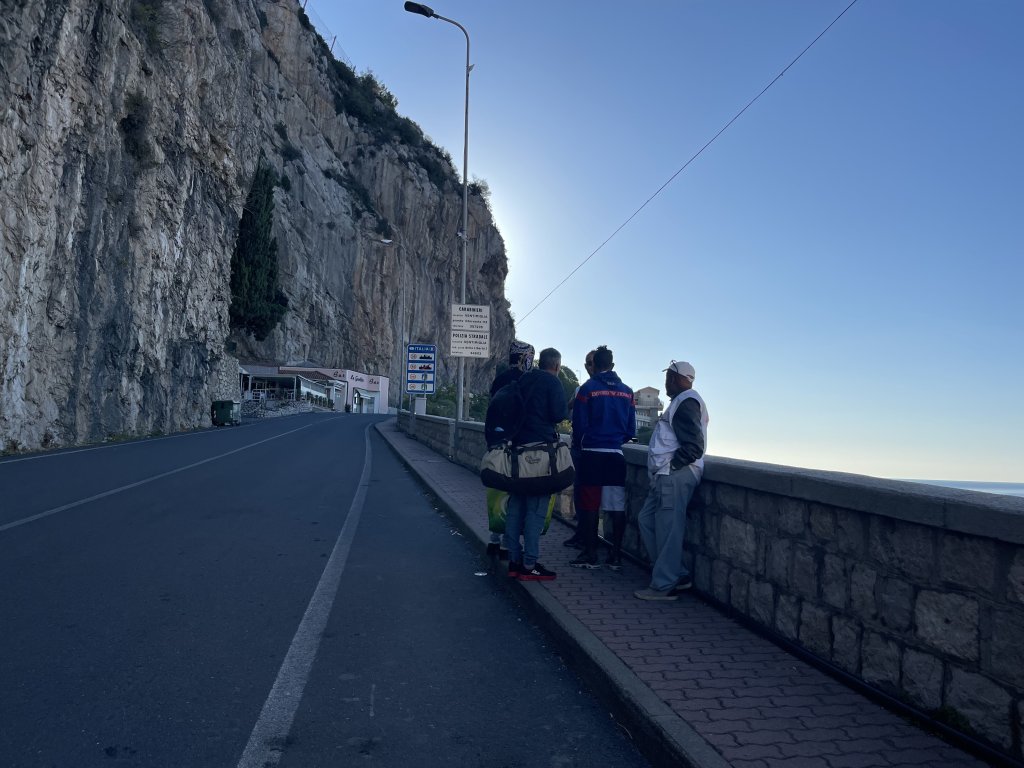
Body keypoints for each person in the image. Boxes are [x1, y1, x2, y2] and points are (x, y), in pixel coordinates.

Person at [635, 360, 709, 601]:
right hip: (667, 475)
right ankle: (676, 574)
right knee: (647, 520)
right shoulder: (682, 401)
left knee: (668, 530)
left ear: (679, 379)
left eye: (669, 378)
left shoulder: (687, 401)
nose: (666, 382)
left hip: (674, 475)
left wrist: (670, 467)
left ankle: (663, 586)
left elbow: (694, 446)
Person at [569, 346, 636, 570]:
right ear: (613, 366)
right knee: (616, 506)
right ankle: (615, 556)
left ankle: (590, 553)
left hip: (591, 454)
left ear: (594, 365)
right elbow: (630, 430)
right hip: (616, 456)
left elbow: (578, 425)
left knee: (589, 506)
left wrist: (584, 443)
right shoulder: (628, 392)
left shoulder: (587, 389)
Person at [506, 347, 568, 581]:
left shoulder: (523, 379)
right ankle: (529, 564)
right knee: (535, 509)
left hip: (516, 451)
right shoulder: (553, 383)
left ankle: (514, 560)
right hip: (540, 453)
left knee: (516, 506)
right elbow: (559, 414)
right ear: (557, 366)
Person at [485, 340, 535, 558]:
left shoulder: (499, 380)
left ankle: (493, 539)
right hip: (518, 444)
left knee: (496, 490)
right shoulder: (527, 381)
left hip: (496, 441)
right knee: (515, 494)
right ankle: (508, 542)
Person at [562, 349, 596, 549]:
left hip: (594, 449)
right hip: (578, 446)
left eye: (592, 362)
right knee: (579, 491)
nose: (590, 366)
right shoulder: (579, 389)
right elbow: (568, 411)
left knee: (592, 496)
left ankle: (589, 540)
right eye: (588, 363)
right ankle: (581, 533)